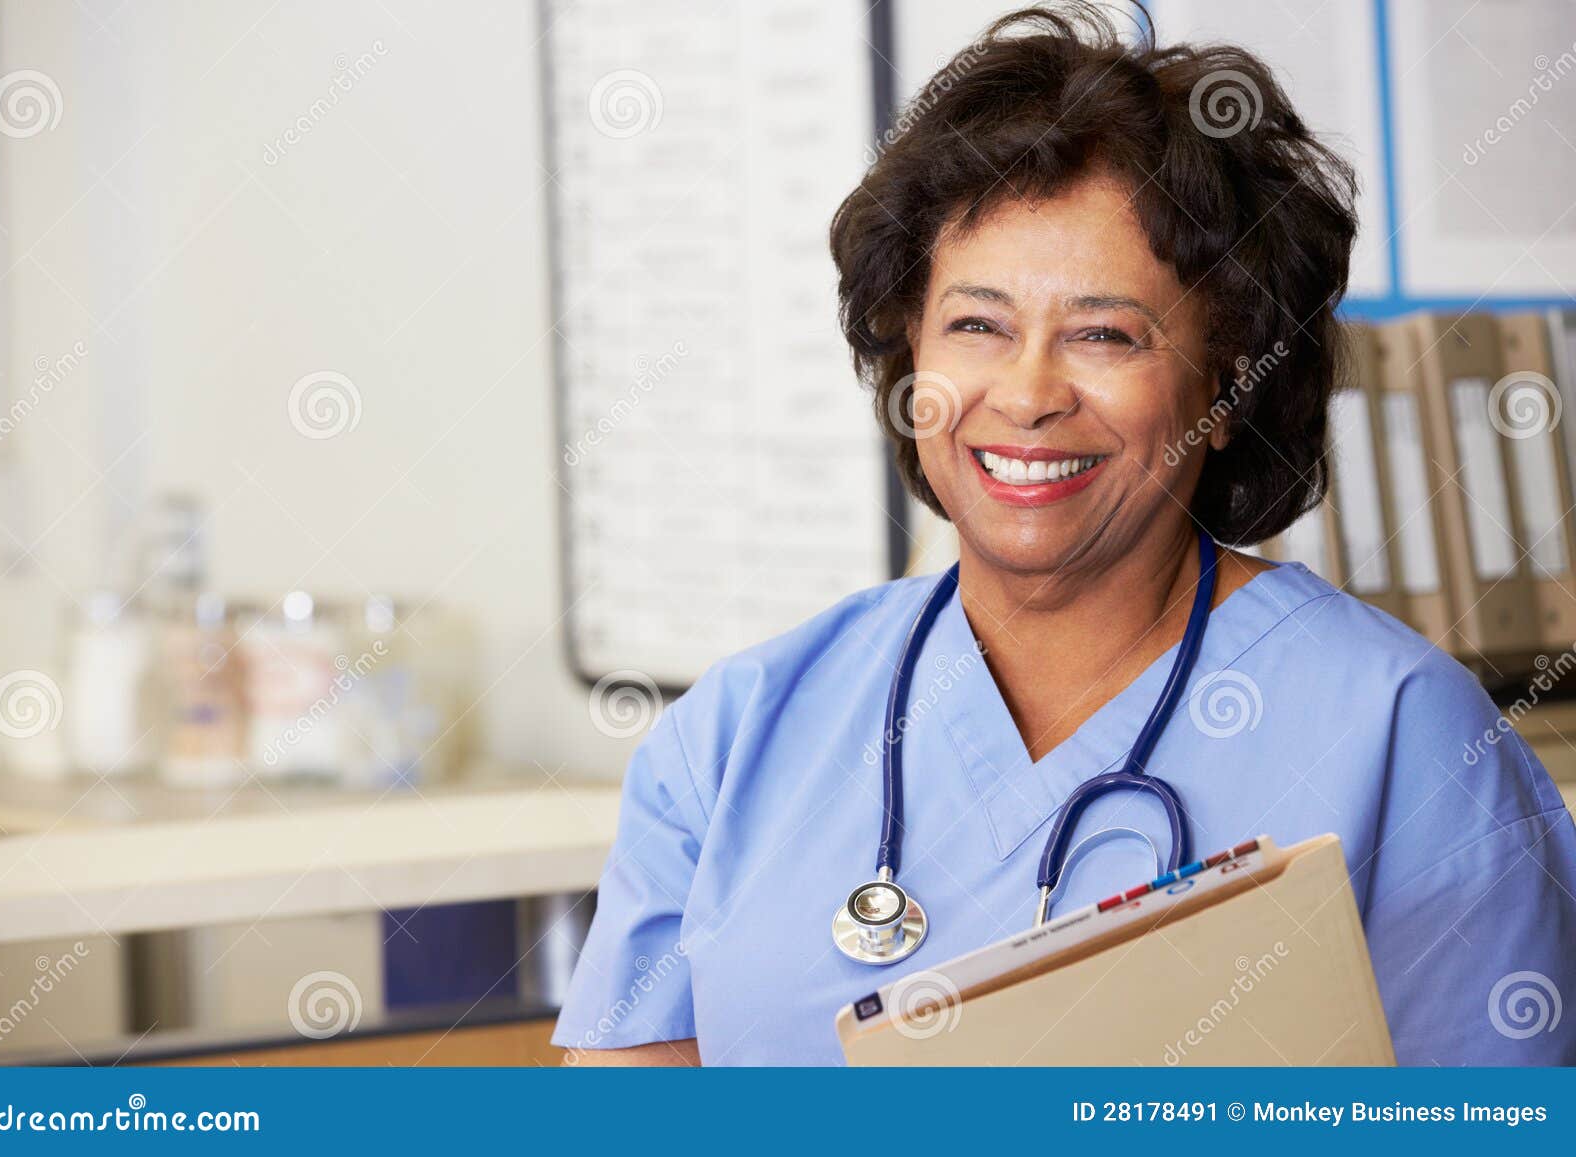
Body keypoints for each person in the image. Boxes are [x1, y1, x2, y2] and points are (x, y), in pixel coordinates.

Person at [551, 4, 1576, 1066]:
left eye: (1103, 333)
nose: (1028, 394)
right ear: (911, 358)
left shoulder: (1404, 737)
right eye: (976, 325)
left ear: (1223, 385)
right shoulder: (731, 738)